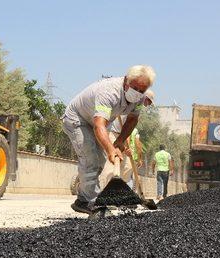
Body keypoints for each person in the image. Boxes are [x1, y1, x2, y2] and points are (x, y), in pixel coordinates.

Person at [62, 65, 156, 214]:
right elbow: (99, 124)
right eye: (135, 88)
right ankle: (91, 202)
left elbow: (132, 120)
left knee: (100, 160)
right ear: (126, 81)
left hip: (98, 123)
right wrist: (111, 149)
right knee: (91, 158)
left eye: (142, 90)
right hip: (78, 119)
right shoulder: (109, 92)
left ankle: (82, 199)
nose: (138, 93)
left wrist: (119, 141)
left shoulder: (139, 98)